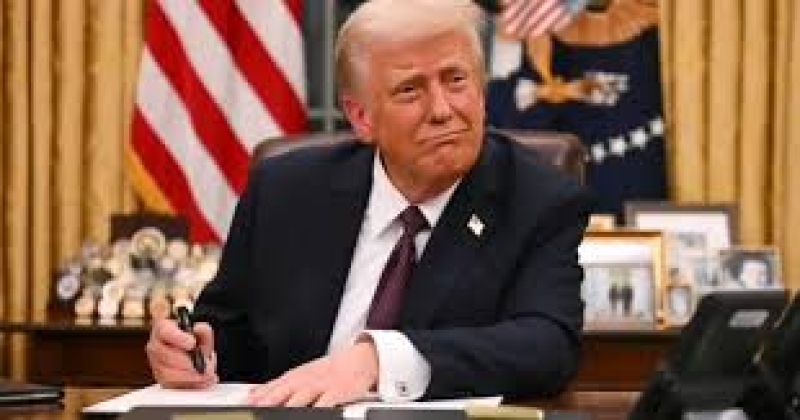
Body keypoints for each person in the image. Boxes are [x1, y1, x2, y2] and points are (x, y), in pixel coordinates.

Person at [146, 0, 592, 407]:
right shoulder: (285, 190)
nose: (442, 109)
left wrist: (379, 359)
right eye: (410, 90)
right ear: (361, 117)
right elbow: (228, 331)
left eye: (456, 80)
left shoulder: (538, 199)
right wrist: (193, 355)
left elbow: (548, 346)